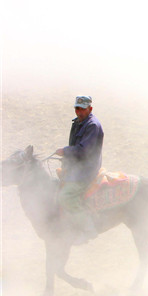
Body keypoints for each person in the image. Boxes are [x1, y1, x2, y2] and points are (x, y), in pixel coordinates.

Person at [55, 95, 104, 242]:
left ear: (90, 109)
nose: (79, 112)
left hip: (86, 170)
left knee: (66, 196)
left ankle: (88, 229)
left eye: (82, 109)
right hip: (77, 166)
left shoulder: (92, 125)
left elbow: (83, 151)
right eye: (77, 108)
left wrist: (66, 151)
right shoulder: (78, 122)